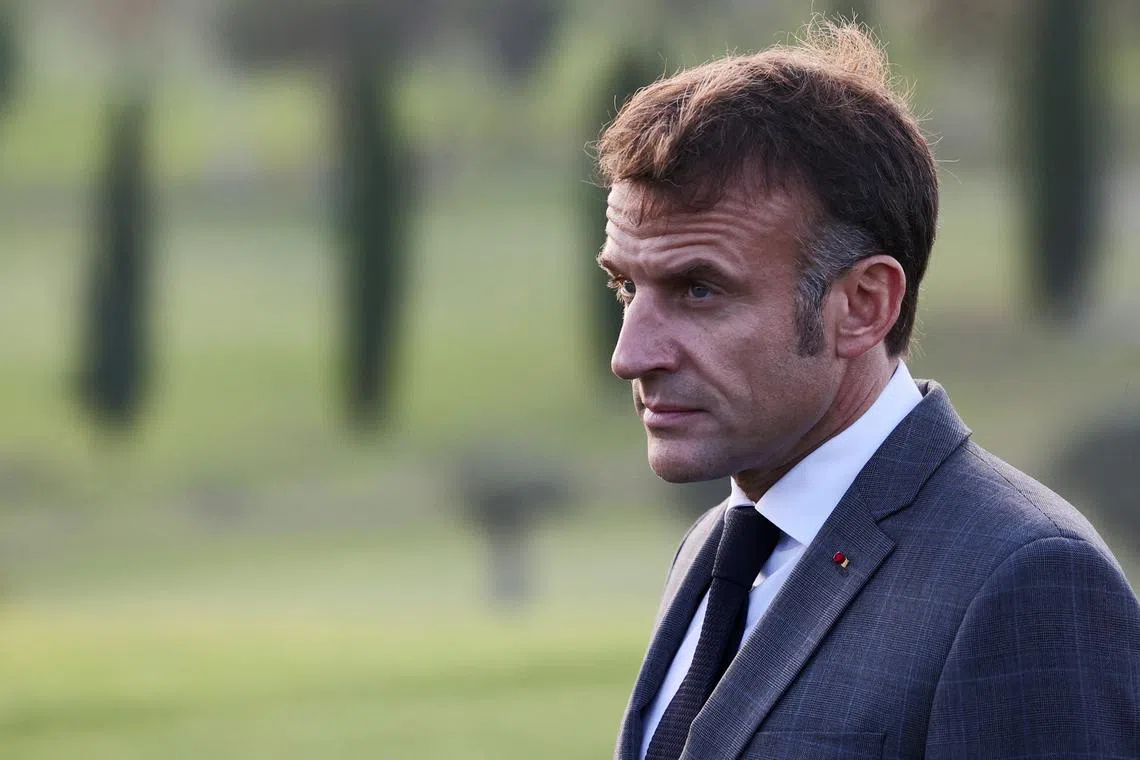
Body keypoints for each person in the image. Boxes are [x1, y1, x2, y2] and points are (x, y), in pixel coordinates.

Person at [593, 21, 1140, 760]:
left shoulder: (1027, 582)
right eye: (626, 287)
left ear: (863, 305)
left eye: (699, 289)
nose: (630, 355)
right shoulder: (717, 548)